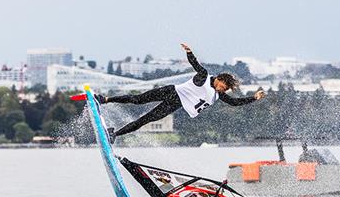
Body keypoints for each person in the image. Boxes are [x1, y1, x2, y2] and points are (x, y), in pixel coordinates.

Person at [98, 43, 265, 141]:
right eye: (224, 86)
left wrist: (254, 98)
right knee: (137, 99)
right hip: (171, 91)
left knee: (144, 120)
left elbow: (235, 102)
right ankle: (105, 99)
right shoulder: (204, 77)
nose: (223, 90)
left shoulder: (217, 95)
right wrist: (190, 53)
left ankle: (114, 135)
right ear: (220, 80)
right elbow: (196, 64)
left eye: (225, 89)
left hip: (175, 104)